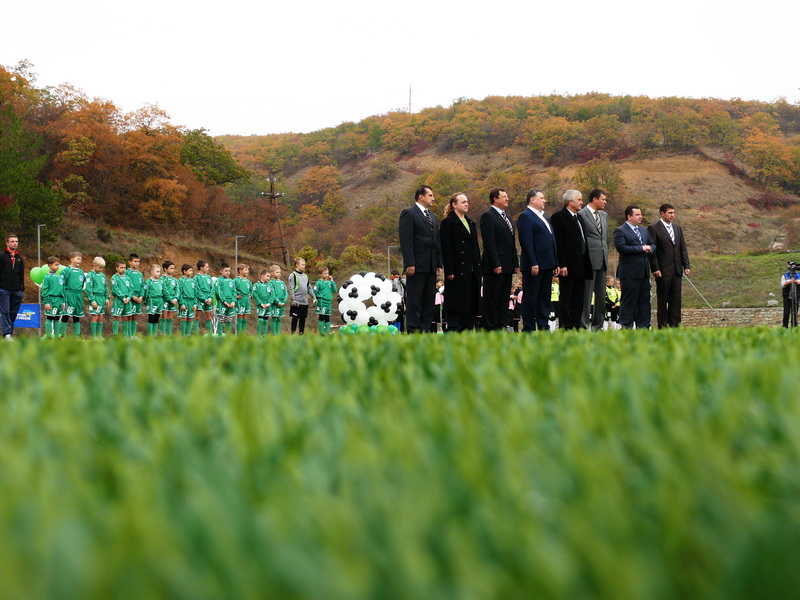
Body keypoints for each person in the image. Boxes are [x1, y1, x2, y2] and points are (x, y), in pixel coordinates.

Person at [399, 185, 443, 333]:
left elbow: (436, 241)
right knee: (415, 300)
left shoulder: (433, 217)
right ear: (420, 196)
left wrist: (438, 263)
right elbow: (406, 240)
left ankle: (425, 330)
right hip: (416, 266)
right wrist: (410, 263)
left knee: (428, 301)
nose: (433, 198)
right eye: (430, 195)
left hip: (431, 265)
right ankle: (413, 331)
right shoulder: (409, 213)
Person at [517, 188, 558, 332]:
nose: (545, 200)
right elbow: (526, 242)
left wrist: (555, 262)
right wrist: (533, 262)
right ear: (532, 200)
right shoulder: (526, 216)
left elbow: (551, 241)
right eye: (542, 198)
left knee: (544, 298)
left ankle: (543, 326)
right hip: (535, 266)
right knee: (531, 298)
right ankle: (528, 328)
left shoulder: (543, 217)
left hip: (547, 264)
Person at [439, 192, 481, 332]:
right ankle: (453, 332)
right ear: (454, 204)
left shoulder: (471, 223)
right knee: (456, 305)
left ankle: (467, 332)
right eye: (463, 202)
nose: (466, 204)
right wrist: (449, 270)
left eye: (467, 201)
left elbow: (475, 248)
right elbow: (446, 248)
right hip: (457, 272)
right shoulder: (447, 223)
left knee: (470, 306)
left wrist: (478, 269)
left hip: (472, 272)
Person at [550, 190, 592, 330]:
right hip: (567, 266)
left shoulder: (579, 218)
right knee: (567, 299)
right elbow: (559, 243)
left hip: (581, 265)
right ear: (570, 201)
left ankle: (576, 327)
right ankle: (565, 327)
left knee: (578, 299)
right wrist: (562, 264)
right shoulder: (558, 217)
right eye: (579, 200)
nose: (582, 202)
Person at [480, 188, 519, 331]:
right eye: (504, 196)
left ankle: (500, 325)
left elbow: (511, 242)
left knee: (503, 298)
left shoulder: (507, 217)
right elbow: (489, 243)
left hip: (508, 266)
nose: (507, 199)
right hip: (494, 267)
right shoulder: (488, 216)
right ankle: (490, 327)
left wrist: (515, 263)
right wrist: (496, 263)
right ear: (495, 199)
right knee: (493, 298)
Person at [648, 203, 691, 328]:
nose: (672, 215)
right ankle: (662, 326)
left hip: (676, 270)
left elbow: (682, 248)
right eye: (670, 213)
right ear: (662, 213)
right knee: (663, 300)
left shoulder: (677, 228)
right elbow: (653, 251)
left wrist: (686, 265)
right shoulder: (654, 228)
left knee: (676, 300)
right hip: (663, 270)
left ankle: (675, 325)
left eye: (673, 213)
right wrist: (655, 268)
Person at [613, 205, 656, 329]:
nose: (640, 217)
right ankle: (626, 327)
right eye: (637, 214)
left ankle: (644, 327)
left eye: (640, 214)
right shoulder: (620, 231)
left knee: (644, 302)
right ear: (629, 216)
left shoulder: (644, 230)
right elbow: (622, 248)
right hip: (629, 273)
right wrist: (641, 248)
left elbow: (653, 245)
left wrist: (650, 248)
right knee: (628, 302)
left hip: (644, 273)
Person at [578, 188, 609, 331]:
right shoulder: (581, 214)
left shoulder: (604, 215)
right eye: (603, 199)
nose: (605, 202)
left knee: (601, 296)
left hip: (603, 260)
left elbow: (603, 238)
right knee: (586, 295)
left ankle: (598, 326)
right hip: (588, 260)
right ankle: (584, 325)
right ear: (595, 199)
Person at [0, 234, 24, 340]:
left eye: (16, 241)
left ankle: (9, 335)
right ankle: (7, 334)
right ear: (7, 243)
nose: (15, 243)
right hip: (3, 290)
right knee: (5, 311)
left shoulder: (19, 258)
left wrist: (21, 288)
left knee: (13, 313)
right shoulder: (1, 256)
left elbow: (21, 274)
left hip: (17, 290)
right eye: (12, 241)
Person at [60, 251, 86, 338]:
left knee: (76, 315)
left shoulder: (81, 272)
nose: (80, 261)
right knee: (66, 314)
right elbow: (62, 285)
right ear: (71, 259)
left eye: (81, 259)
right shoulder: (66, 271)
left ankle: (77, 336)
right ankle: (63, 335)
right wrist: (63, 297)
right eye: (78, 259)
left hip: (78, 295)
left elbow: (82, 284)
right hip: (69, 294)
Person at [289, 257, 316, 335]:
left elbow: (309, 288)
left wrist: (314, 297)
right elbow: (291, 288)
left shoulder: (305, 276)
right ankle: (292, 334)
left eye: (304, 264)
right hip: (297, 302)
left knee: (303, 320)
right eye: (302, 264)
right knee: (295, 319)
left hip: (305, 302)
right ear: (297, 265)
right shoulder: (293, 275)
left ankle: (301, 334)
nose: (304, 266)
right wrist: (293, 300)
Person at [86, 256, 110, 338]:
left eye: (102, 268)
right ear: (94, 265)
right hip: (95, 298)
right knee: (95, 316)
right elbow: (88, 289)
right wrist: (92, 300)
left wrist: (107, 298)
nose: (101, 269)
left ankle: (99, 336)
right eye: (100, 267)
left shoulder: (103, 275)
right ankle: (94, 337)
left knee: (100, 317)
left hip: (102, 298)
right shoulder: (90, 275)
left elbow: (105, 287)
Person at [41, 256, 65, 338]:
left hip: (59, 301)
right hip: (51, 300)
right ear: (50, 265)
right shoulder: (47, 277)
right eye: (56, 265)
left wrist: (63, 301)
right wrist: (47, 302)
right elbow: (45, 291)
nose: (57, 267)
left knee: (57, 318)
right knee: (50, 317)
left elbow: (62, 290)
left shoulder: (59, 277)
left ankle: (57, 336)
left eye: (58, 265)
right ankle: (48, 336)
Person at [110, 260, 134, 338]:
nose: (123, 269)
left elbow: (131, 289)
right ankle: (115, 336)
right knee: (117, 317)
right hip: (119, 300)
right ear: (117, 268)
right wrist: (123, 298)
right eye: (121, 267)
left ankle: (125, 336)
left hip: (127, 301)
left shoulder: (128, 278)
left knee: (126, 317)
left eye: (124, 268)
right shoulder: (114, 277)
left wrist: (129, 298)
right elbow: (115, 289)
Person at [313, 266, 337, 336]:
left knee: (327, 318)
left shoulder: (329, 282)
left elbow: (335, 290)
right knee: (322, 317)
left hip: (329, 302)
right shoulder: (318, 283)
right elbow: (315, 292)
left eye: (327, 273)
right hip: (322, 302)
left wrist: (332, 281)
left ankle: (328, 333)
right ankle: (322, 334)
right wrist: (314, 299)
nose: (327, 275)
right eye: (325, 273)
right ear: (320, 274)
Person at [142, 264, 164, 336]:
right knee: (151, 318)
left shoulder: (160, 281)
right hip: (152, 301)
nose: (159, 273)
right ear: (152, 272)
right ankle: (150, 335)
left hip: (159, 301)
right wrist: (146, 301)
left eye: (159, 272)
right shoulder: (149, 282)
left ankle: (155, 335)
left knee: (157, 318)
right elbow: (146, 292)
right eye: (157, 272)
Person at [126, 254, 145, 337]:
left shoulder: (140, 274)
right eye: (135, 261)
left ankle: (133, 335)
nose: (137, 263)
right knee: (129, 316)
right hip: (130, 297)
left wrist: (141, 296)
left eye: (138, 261)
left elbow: (143, 286)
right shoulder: (127, 272)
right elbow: (126, 286)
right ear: (130, 262)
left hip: (138, 297)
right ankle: (128, 335)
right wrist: (132, 296)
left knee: (134, 316)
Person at [215, 263, 237, 335]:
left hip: (231, 303)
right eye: (226, 271)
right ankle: (219, 335)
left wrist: (233, 301)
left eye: (229, 271)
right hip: (222, 303)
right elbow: (219, 292)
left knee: (229, 319)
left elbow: (234, 292)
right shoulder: (219, 280)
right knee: (221, 319)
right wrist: (225, 301)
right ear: (221, 271)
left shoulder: (232, 281)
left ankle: (228, 335)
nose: (228, 272)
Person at [195, 260, 215, 335]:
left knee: (208, 317)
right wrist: (204, 299)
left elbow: (212, 288)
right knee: (197, 317)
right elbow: (197, 289)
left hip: (208, 298)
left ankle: (209, 334)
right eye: (207, 267)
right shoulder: (196, 277)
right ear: (201, 268)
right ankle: (196, 335)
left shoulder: (209, 277)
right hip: (200, 299)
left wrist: (210, 298)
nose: (208, 268)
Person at [177, 264, 198, 336]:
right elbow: (179, 293)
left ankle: (188, 336)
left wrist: (195, 304)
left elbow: (196, 293)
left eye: (192, 271)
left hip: (191, 302)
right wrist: (182, 303)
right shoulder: (181, 280)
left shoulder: (193, 281)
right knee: (184, 318)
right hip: (184, 301)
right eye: (190, 271)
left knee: (190, 319)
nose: (192, 272)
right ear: (184, 271)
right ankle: (183, 336)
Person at [160, 261, 179, 336]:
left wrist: (175, 298)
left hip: (173, 301)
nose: (173, 270)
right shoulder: (162, 279)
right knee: (164, 317)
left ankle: (169, 335)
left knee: (170, 318)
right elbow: (164, 290)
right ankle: (163, 335)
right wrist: (170, 299)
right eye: (171, 268)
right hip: (165, 300)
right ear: (165, 269)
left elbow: (177, 290)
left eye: (173, 268)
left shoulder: (174, 280)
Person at [253, 269, 273, 337]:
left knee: (266, 320)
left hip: (268, 305)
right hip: (260, 305)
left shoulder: (270, 285)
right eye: (267, 276)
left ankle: (264, 335)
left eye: (269, 276)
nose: (269, 278)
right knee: (260, 319)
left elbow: (273, 295)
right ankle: (258, 335)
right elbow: (255, 295)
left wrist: (269, 303)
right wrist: (261, 303)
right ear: (262, 276)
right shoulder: (256, 285)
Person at [269, 264, 288, 335]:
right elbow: (273, 293)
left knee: (279, 319)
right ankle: (274, 335)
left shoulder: (282, 283)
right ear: (272, 273)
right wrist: (278, 302)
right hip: (275, 304)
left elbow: (285, 293)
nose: (279, 274)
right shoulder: (271, 282)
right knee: (275, 318)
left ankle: (278, 335)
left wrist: (284, 301)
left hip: (282, 304)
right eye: (277, 272)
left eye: (280, 272)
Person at [234, 264, 253, 335]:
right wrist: (236, 295)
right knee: (240, 317)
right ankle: (239, 335)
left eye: (248, 270)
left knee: (245, 317)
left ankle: (243, 334)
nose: (248, 271)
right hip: (240, 301)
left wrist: (250, 295)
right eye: (246, 270)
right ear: (240, 271)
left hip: (247, 301)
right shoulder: (236, 280)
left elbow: (251, 290)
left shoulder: (248, 281)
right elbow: (232, 289)